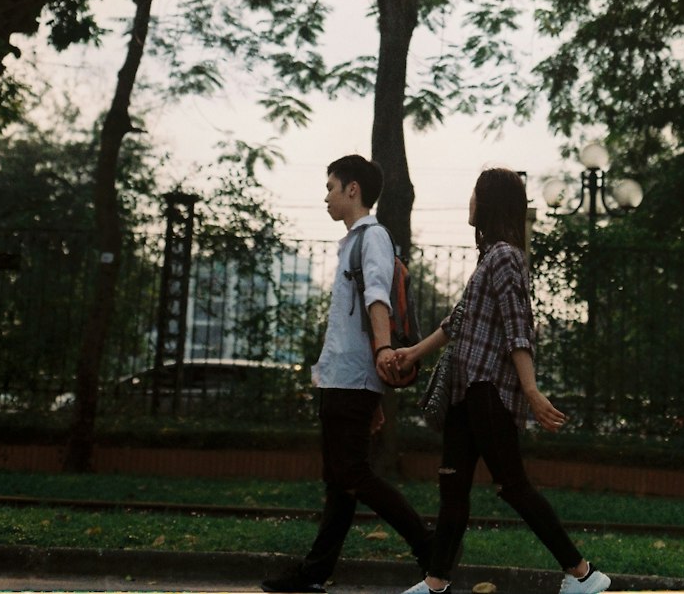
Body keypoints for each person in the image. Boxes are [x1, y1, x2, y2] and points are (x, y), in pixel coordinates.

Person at [392, 168, 611, 594]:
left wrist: (530, 390)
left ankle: (582, 574)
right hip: (464, 392)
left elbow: (518, 328)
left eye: (474, 194)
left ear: (488, 202)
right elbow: (457, 322)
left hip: (487, 391)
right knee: (452, 487)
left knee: (513, 486)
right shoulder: (489, 258)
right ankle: (435, 584)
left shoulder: (506, 257)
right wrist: (413, 353)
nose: (469, 202)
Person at [261, 155, 432, 594]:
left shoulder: (372, 238)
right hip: (343, 377)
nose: (327, 196)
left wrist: (382, 355)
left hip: (352, 377)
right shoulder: (354, 243)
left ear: (352, 190)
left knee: (353, 475)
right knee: (339, 481)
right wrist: (373, 389)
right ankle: (314, 573)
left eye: (332, 187)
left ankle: (432, 551)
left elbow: (378, 299)